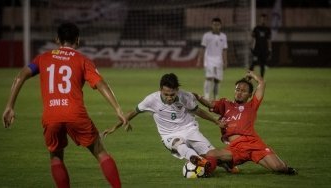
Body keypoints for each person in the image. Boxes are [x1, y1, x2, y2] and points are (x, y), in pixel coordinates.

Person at [2, 22, 128, 188]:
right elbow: (101, 84)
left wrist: (10, 105)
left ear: (57, 39)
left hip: (51, 115)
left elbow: (20, 76)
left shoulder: (43, 58)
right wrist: (118, 109)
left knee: (55, 156)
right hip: (75, 114)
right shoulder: (83, 60)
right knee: (100, 152)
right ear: (77, 40)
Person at [102, 73, 238, 177]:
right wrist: (115, 126)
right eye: (166, 94)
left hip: (189, 129)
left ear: (177, 90)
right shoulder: (152, 100)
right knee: (179, 145)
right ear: (160, 89)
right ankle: (197, 160)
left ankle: (223, 163)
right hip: (169, 134)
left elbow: (199, 111)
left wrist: (215, 121)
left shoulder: (185, 97)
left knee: (211, 154)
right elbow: (133, 112)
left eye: (172, 95)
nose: (169, 98)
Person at [194, 71, 297, 175]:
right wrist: (196, 96)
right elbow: (209, 104)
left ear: (249, 95)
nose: (239, 93)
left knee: (279, 168)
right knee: (211, 154)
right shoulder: (225, 104)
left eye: (243, 91)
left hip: (253, 143)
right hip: (235, 147)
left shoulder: (252, 105)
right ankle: (208, 171)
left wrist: (252, 75)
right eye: (237, 90)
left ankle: (285, 167)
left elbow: (262, 83)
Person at [197, 17, 228, 101]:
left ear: (220, 25)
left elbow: (224, 50)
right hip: (209, 59)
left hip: (219, 60)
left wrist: (225, 61)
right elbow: (202, 48)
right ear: (212, 25)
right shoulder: (206, 36)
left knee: (217, 80)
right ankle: (206, 96)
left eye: (217, 25)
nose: (216, 26)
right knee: (209, 77)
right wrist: (199, 60)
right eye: (214, 25)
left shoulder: (223, 36)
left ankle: (216, 98)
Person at [249, 14, 272, 78]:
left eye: (264, 19)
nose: (263, 20)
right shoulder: (256, 28)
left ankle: (261, 79)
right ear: (260, 20)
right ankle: (249, 77)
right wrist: (251, 47)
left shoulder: (267, 29)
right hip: (257, 49)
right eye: (262, 19)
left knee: (262, 65)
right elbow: (252, 38)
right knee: (253, 63)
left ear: (266, 20)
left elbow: (269, 40)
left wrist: (270, 49)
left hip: (264, 50)